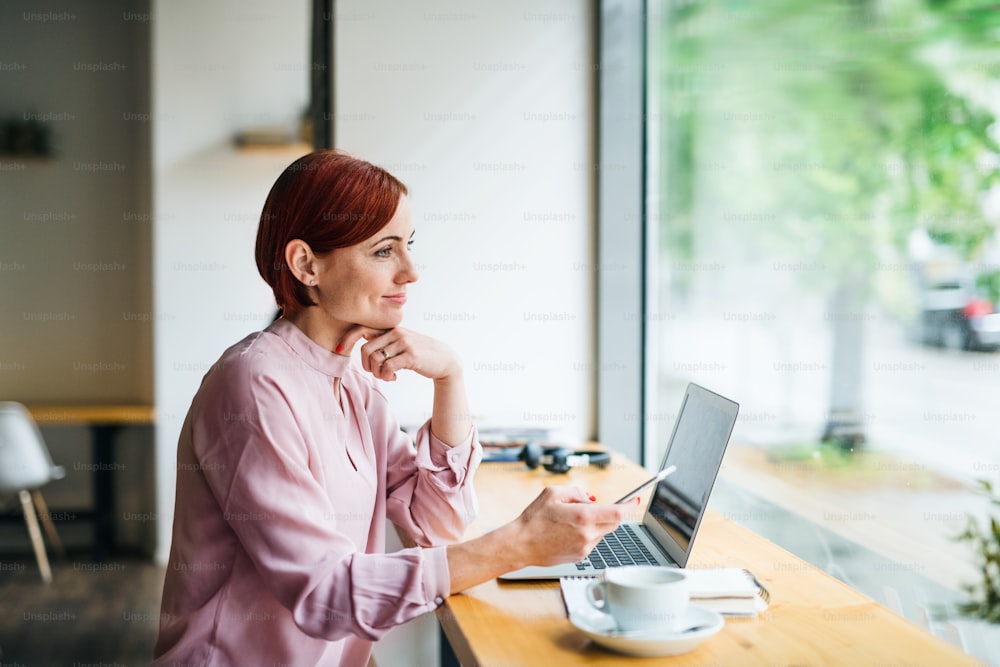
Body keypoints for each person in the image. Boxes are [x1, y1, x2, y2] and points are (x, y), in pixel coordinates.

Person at [152, 150, 628, 667]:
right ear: (306, 264)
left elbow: (435, 527)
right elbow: (324, 594)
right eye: (384, 251)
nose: (411, 272)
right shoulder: (252, 384)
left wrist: (450, 377)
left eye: (409, 246)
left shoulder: (352, 385)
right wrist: (517, 544)